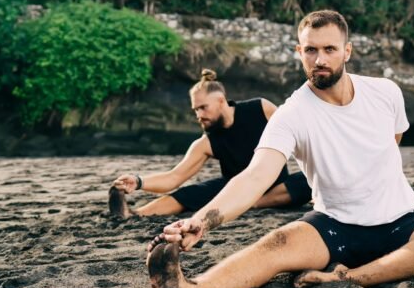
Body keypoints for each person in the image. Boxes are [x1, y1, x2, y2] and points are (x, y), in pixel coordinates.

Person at [145, 10, 414, 288]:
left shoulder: (386, 92)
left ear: (347, 51)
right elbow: (255, 176)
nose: (319, 59)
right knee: (274, 245)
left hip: (404, 219)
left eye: (329, 49)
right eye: (310, 50)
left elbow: (391, 142)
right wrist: (201, 222)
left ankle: (351, 277)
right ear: (299, 52)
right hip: (335, 227)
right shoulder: (291, 114)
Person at [108, 69, 311, 218]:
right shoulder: (205, 143)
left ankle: (248, 203)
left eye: (203, 108)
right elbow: (174, 177)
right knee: (189, 193)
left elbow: (298, 136)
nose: (199, 115)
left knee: (307, 179)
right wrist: (138, 181)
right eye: (195, 110)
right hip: (233, 189)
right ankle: (135, 214)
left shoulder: (260, 108)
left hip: (276, 186)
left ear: (221, 101)